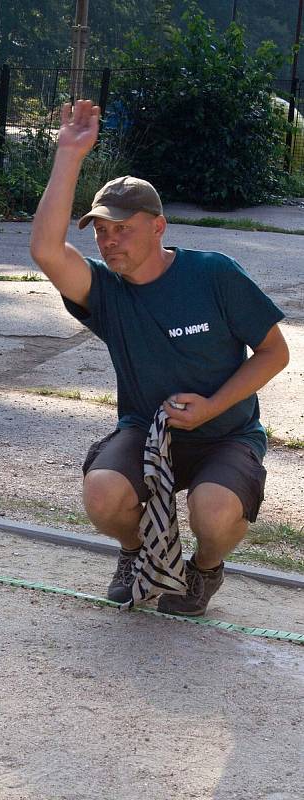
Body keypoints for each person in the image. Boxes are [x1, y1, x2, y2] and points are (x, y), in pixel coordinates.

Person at [30, 100, 290, 616]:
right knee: (103, 493)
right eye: (102, 229)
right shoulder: (105, 293)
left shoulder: (213, 274)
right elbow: (46, 250)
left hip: (226, 434)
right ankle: (135, 554)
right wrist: (69, 154)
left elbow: (274, 353)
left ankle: (204, 570)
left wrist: (214, 407)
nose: (109, 240)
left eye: (123, 227)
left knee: (213, 512)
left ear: (159, 227)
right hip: (149, 431)